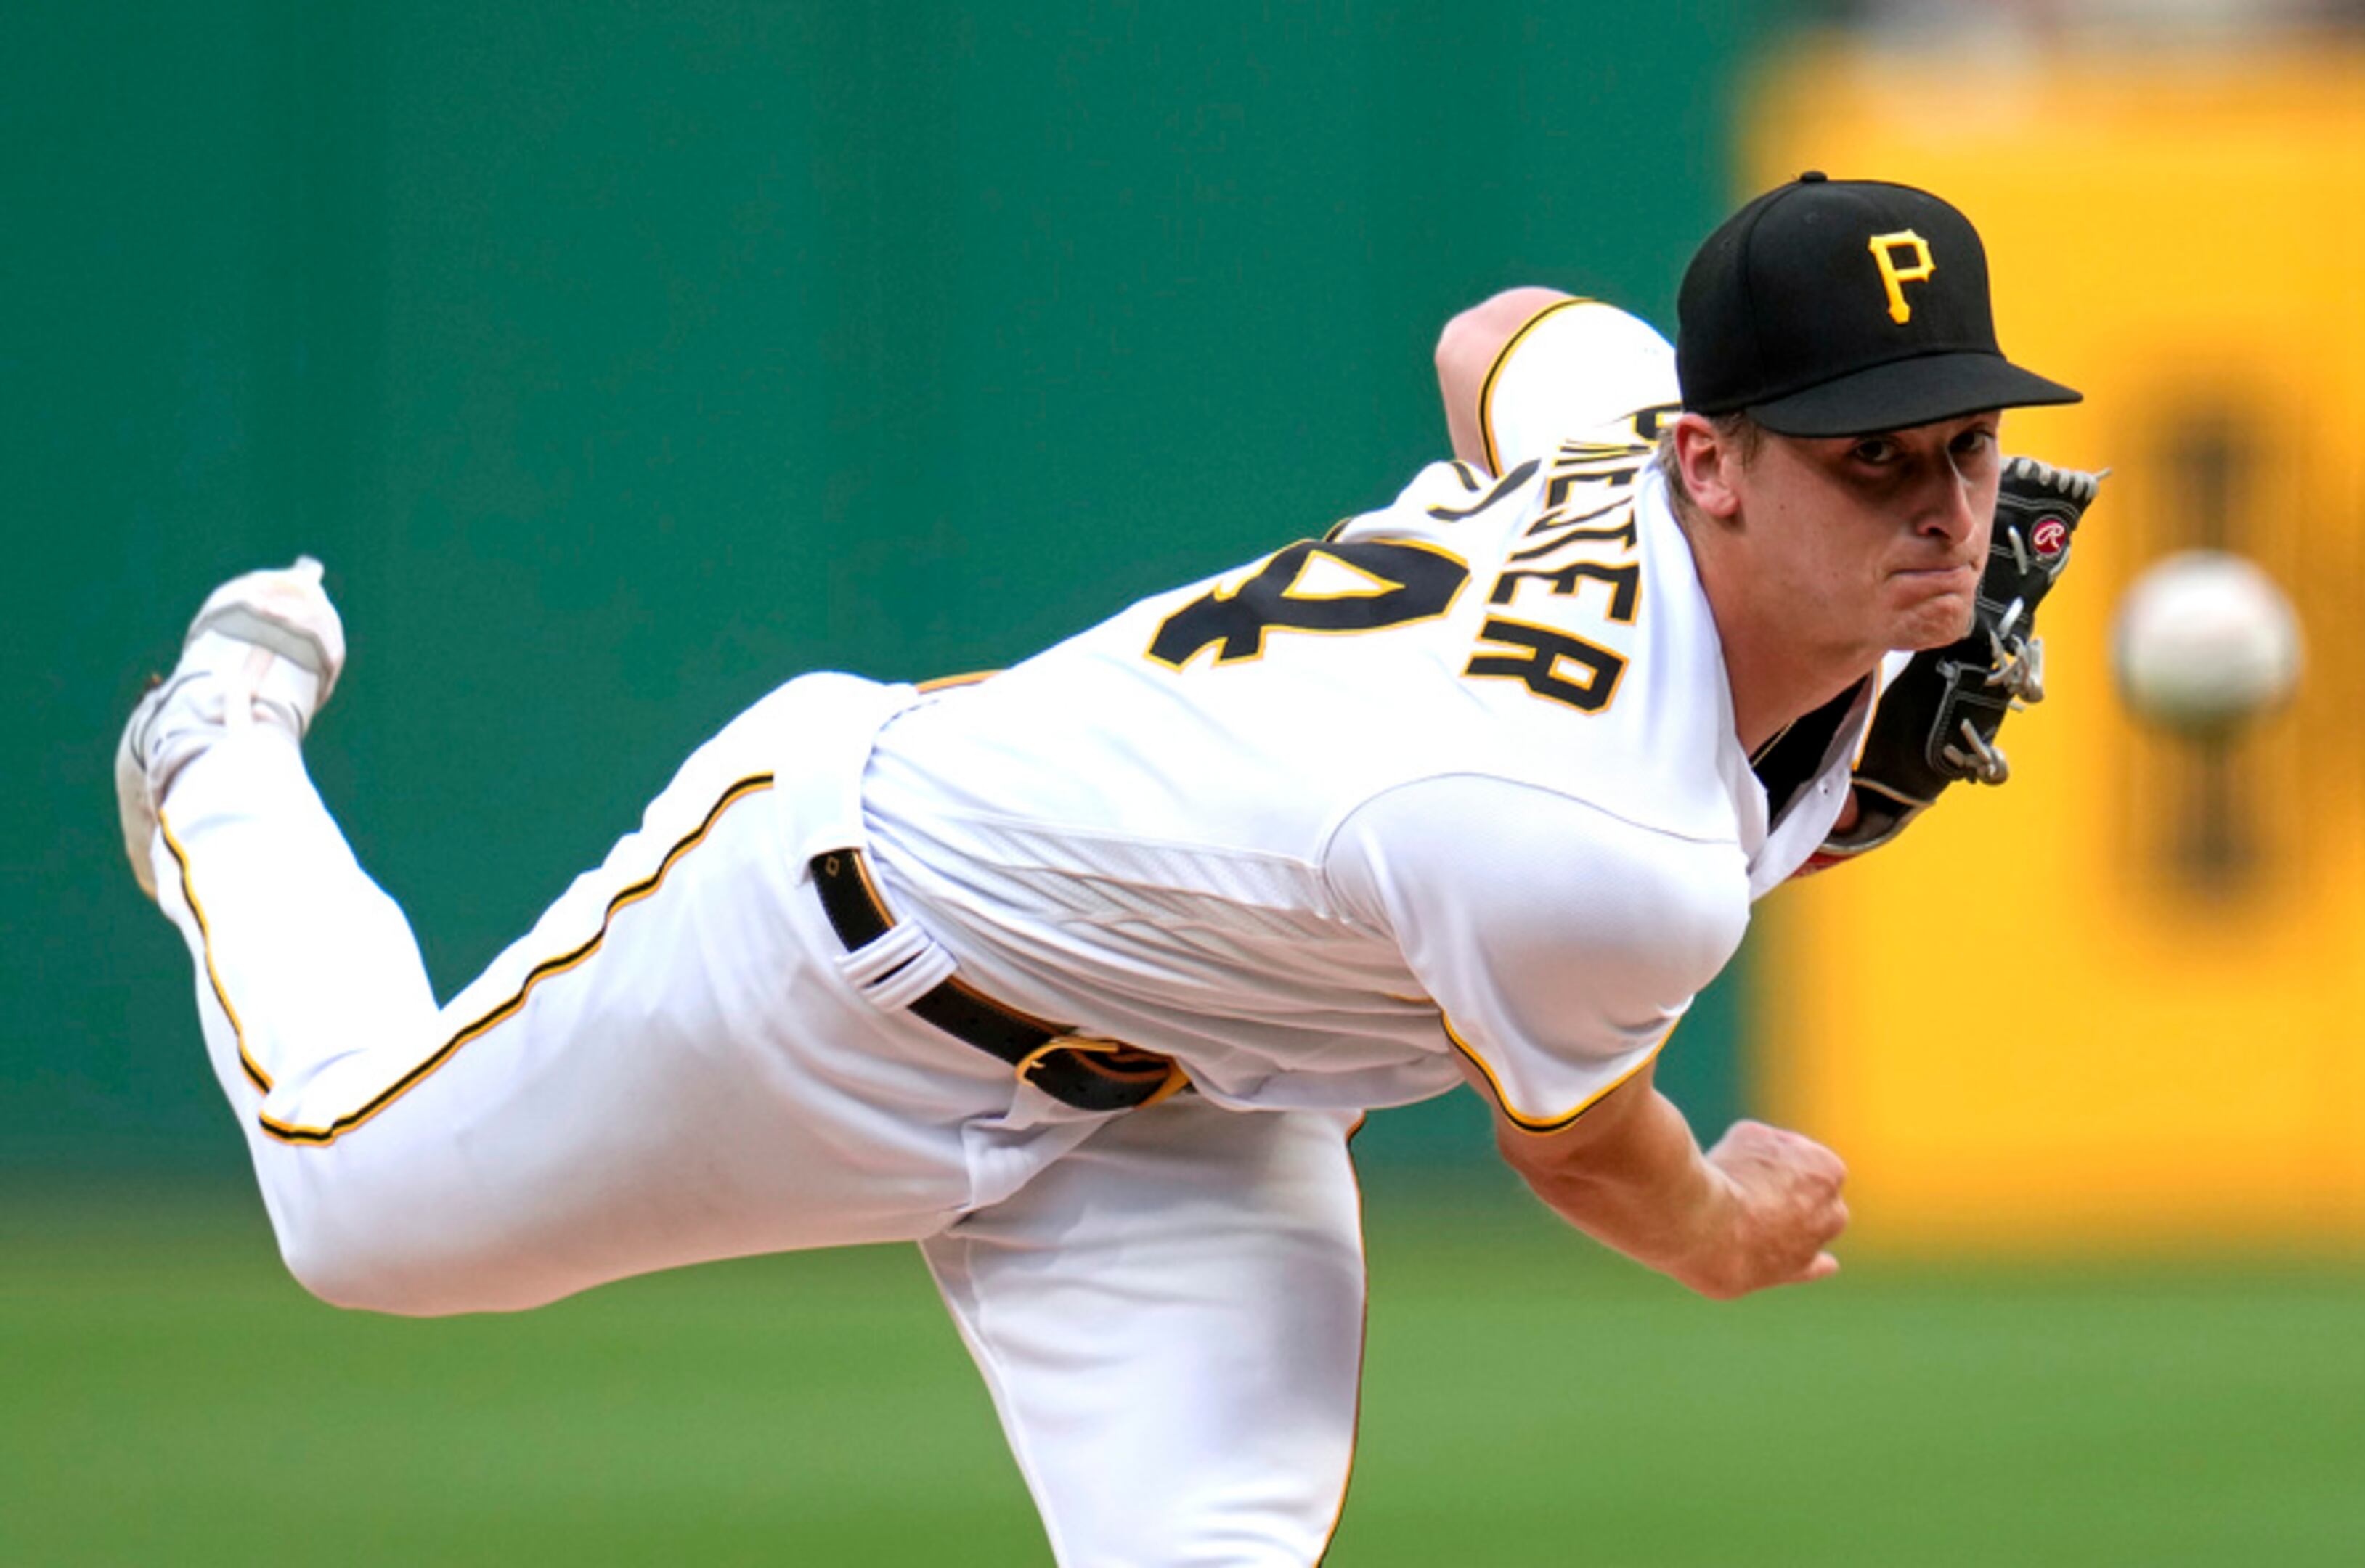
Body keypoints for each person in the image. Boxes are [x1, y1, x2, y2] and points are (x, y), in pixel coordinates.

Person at [117, 173, 2091, 1566]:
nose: (1944, 509)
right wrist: (1732, 1229)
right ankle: (213, 755)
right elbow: (1589, 1159)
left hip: (1191, 1111)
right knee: (363, 1217)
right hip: (846, 939)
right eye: (1869, 456)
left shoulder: (1623, 445)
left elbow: (1500, 335)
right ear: (1712, 464)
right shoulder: (1589, 836)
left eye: (1964, 447)